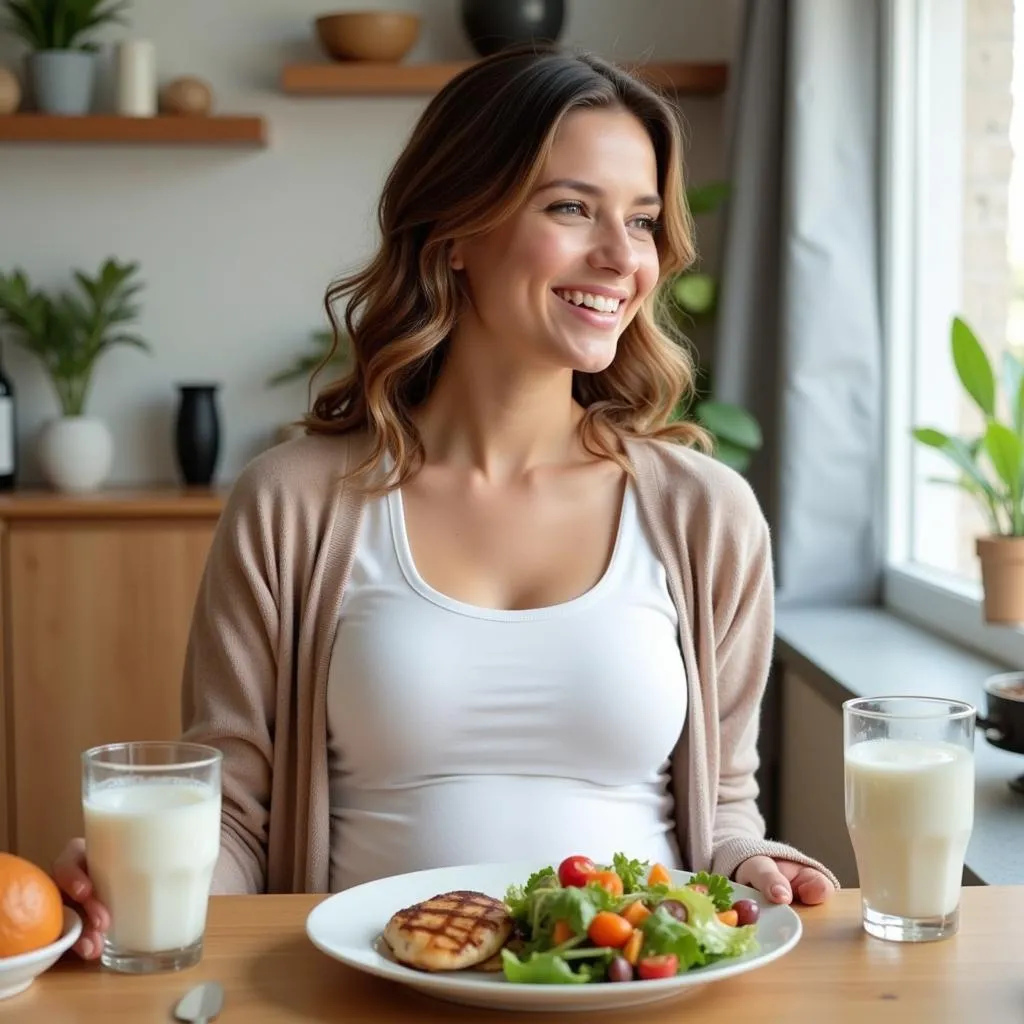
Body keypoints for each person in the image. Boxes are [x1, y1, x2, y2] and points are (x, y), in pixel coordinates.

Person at [53, 43, 838, 960]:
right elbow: (235, 816)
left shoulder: (707, 513)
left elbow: (723, 804)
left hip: (632, 988)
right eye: (571, 208)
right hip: (366, 994)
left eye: (643, 220)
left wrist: (752, 865)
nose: (622, 256)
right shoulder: (294, 504)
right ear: (455, 232)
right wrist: (142, 880)